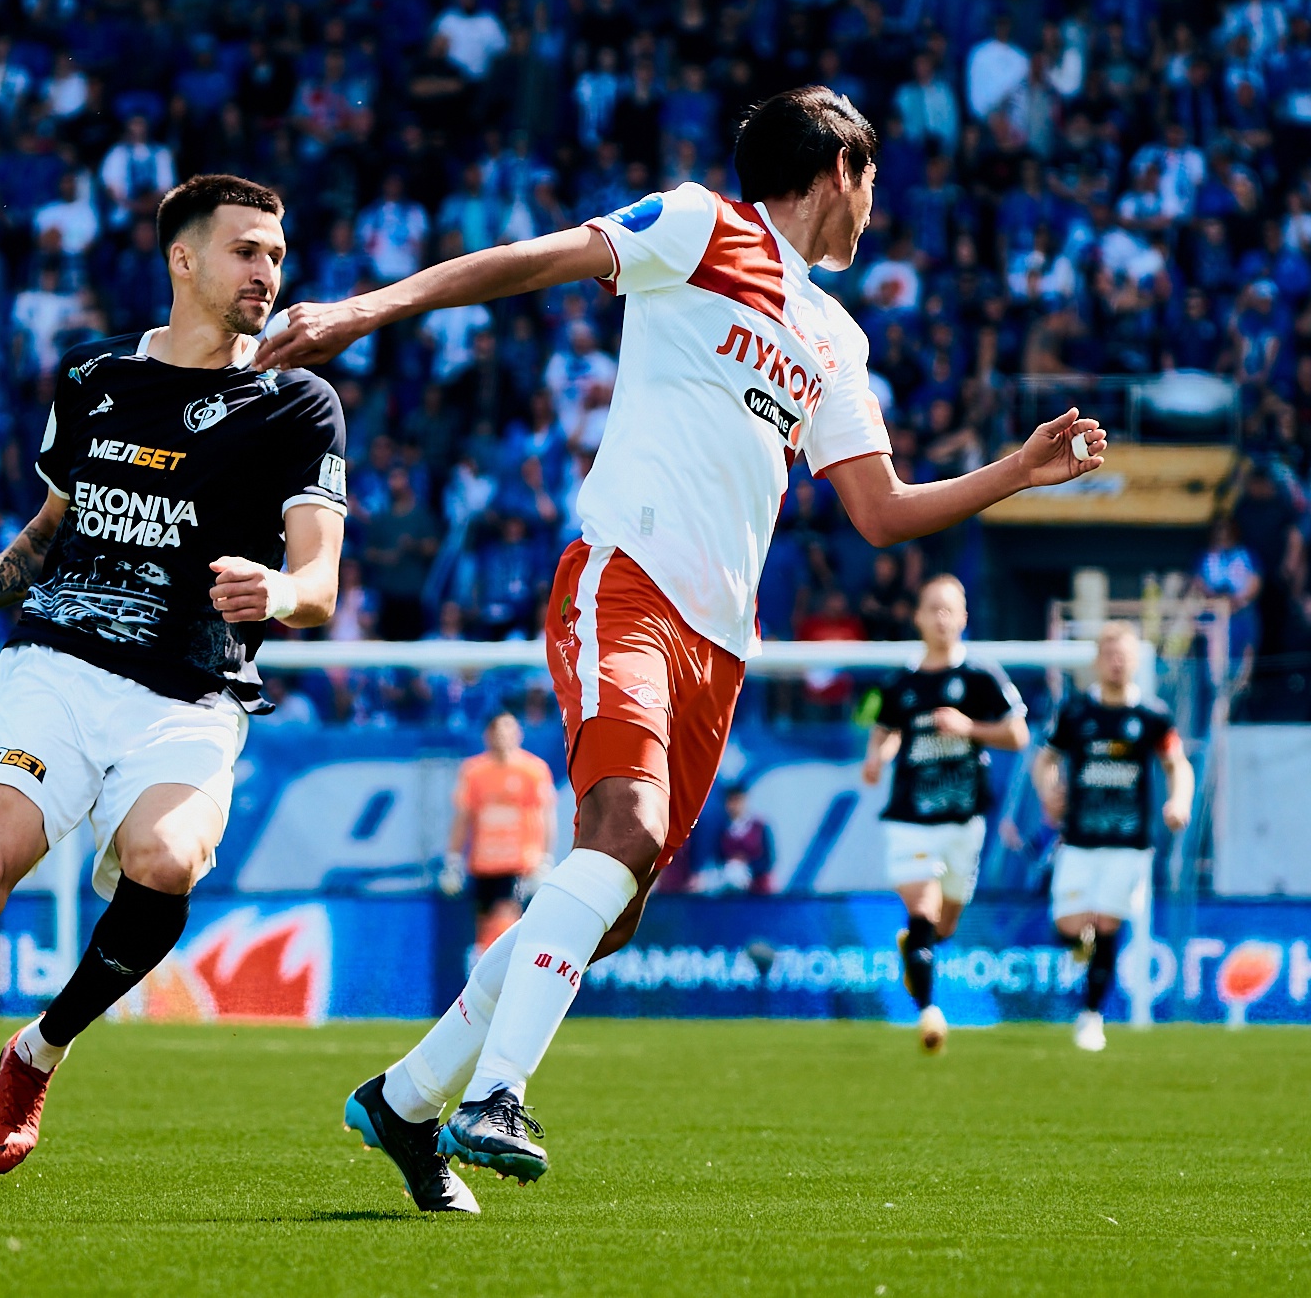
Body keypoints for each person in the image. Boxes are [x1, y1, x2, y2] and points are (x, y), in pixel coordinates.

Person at [259, 86, 1107, 1202]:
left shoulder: (835, 337)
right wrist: (369, 309)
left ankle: (404, 1099)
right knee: (625, 829)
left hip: (721, 644)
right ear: (838, 170)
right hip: (625, 581)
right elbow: (533, 259)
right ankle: (494, 1095)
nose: (874, 209)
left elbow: (881, 511)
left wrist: (1016, 473)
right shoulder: (701, 223)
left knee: (608, 908)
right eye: (871, 183)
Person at [0, 174, 348, 1191]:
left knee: (167, 861)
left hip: (189, 691)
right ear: (183, 258)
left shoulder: (298, 402)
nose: (267, 271)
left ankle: (39, 1050)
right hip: (54, 666)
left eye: (275, 253)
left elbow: (319, 583)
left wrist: (278, 589)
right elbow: (48, 536)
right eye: (246, 250)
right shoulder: (92, 377)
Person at [859, 574, 1027, 1054]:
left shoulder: (981, 676)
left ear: (963, 617)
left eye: (948, 609)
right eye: (931, 608)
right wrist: (877, 757)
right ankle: (930, 1013)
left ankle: (916, 947)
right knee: (923, 909)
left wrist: (969, 727)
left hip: (963, 821)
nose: (940, 618)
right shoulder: (901, 682)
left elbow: (1018, 735)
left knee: (944, 924)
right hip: (910, 818)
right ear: (917, 617)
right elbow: (886, 729)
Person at [1031, 621, 1194, 1053]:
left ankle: (1091, 1017)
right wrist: (1049, 792)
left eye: (1124, 655)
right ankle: (1079, 947)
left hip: (1129, 843)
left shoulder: (1152, 715)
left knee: (1106, 924)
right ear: (1098, 661)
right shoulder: (1076, 712)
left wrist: (1179, 801)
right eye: (1109, 655)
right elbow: (1045, 760)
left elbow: (1177, 764)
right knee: (1069, 926)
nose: (1117, 662)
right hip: (1078, 841)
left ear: (1136, 661)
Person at [442, 711, 557, 952]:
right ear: (487, 735)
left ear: (518, 734)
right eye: (496, 730)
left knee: (505, 922)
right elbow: (463, 817)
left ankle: (505, 969)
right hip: (483, 864)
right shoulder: (474, 772)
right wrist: (453, 860)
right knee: (484, 928)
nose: (502, 736)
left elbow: (545, 816)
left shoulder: (533, 770)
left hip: (518, 863)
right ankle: (488, 970)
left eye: (508, 729)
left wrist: (544, 859)